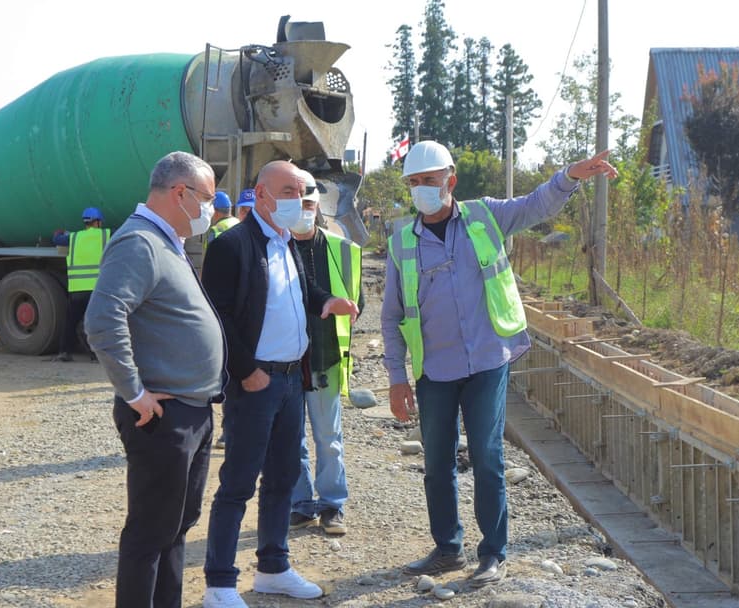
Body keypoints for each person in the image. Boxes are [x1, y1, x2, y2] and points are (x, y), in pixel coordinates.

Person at [381, 141, 617, 586]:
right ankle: (448, 549)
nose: (421, 190)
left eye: (429, 181)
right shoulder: (401, 242)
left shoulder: (484, 216)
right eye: (413, 183)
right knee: (437, 461)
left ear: (450, 179)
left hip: (488, 361)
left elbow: (536, 205)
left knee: (487, 457)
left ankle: (493, 552)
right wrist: (396, 378)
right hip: (434, 369)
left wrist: (572, 175)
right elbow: (391, 317)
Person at [200, 160, 359, 608]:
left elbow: (302, 290)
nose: (298, 197)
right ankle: (219, 583)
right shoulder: (233, 245)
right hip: (256, 381)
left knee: (283, 478)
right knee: (238, 482)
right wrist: (245, 370)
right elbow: (219, 316)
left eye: (303, 190)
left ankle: (273, 568)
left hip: (292, 379)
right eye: (288, 190)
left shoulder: (286, 241)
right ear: (263, 195)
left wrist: (329, 301)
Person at [84, 151, 226, 608]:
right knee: (150, 533)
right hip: (162, 418)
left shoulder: (169, 242)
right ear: (180, 193)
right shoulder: (140, 243)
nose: (212, 210)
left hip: (192, 412)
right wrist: (135, 393)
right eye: (207, 198)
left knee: (175, 528)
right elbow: (103, 320)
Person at [288, 170, 363, 536]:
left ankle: (332, 504)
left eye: (308, 203)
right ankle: (301, 503)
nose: (303, 210)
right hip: (284, 361)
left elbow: (356, 301)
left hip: (324, 358)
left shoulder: (341, 250)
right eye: (296, 202)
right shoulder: (275, 246)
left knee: (328, 439)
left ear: (317, 206)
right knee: (290, 439)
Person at [205, 190, 240, 451]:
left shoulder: (217, 233)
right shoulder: (240, 226)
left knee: (229, 374)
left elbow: (211, 275)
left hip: (225, 310)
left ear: (215, 211)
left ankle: (229, 433)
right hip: (244, 310)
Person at [52, 207, 110, 362]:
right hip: (96, 289)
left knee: (71, 321)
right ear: (98, 222)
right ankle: (94, 354)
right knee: (95, 322)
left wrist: (58, 232)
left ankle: (64, 352)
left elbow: (57, 240)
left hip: (77, 289)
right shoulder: (105, 235)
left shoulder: (74, 237)